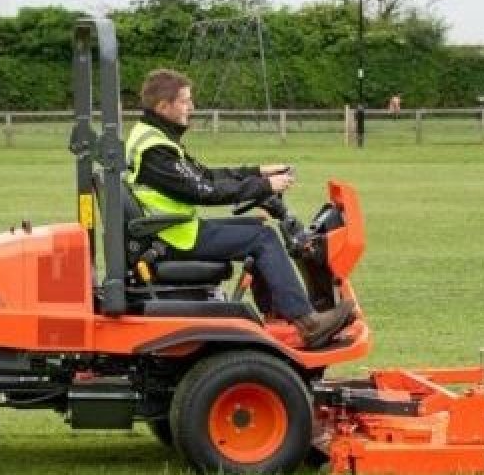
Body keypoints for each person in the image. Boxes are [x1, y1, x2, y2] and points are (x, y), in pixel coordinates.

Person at [124, 68, 354, 350]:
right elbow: (204, 191)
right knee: (263, 239)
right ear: (163, 106)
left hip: (171, 231)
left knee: (258, 228)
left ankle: (279, 316)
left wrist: (256, 173)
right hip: (173, 237)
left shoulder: (153, 137)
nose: (191, 107)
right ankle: (309, 324)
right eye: (185, 101)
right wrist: (264, 186)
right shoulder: (156, 150)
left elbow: (205, 175)